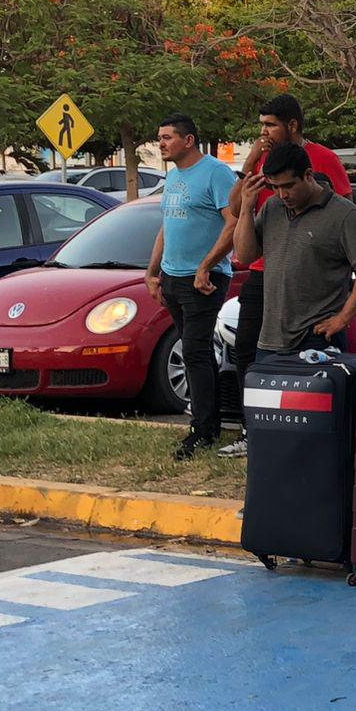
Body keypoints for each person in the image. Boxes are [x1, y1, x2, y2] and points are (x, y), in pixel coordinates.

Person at [219, 95, 353, 458]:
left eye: (270, 125)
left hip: (312, 279)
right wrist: (250, 163)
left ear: (292, 125)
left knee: (311, 361)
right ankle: (256, 429)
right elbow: (234, 209)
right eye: (261, 125)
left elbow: (340, 213)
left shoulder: (324, 160)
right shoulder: (261, 161)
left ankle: (310, 438)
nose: (263, 132)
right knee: (249, 348)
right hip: (265, 270)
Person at [233, 142, 356, 360]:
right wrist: (247, 207)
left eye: (288, 185)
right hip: (270, 339)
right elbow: (246, 255)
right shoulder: (273, 207)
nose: (282, 194)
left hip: (317, 337)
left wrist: (343, 318)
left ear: (308, 175)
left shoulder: (343, 213)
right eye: (274, 187)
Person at [145, 114, 239, 461]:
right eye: (160, 137)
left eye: (168, 137)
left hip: (204, 279)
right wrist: (152, 271)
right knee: (193, 351)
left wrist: (206, 267)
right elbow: (167, 226)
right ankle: (208, 421)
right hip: (173, 277)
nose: (162, 144)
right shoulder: (173, 177)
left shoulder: (216, 172)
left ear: (189, 140)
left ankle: (203, 431)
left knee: (196, 352)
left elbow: (234, 223)